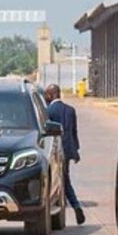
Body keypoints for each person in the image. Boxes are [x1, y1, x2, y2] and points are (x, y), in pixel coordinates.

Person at [43, 83, 84, 224]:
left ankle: (74, 206)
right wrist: (76, 151)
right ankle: (75, 206)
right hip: (68, 150)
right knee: (65, 179)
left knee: (62, 181)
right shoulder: (70, 110)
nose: (45, 97)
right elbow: (74, 132)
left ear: (51, 95)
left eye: (46, 95)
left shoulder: (49, 111)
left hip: (56, 152)